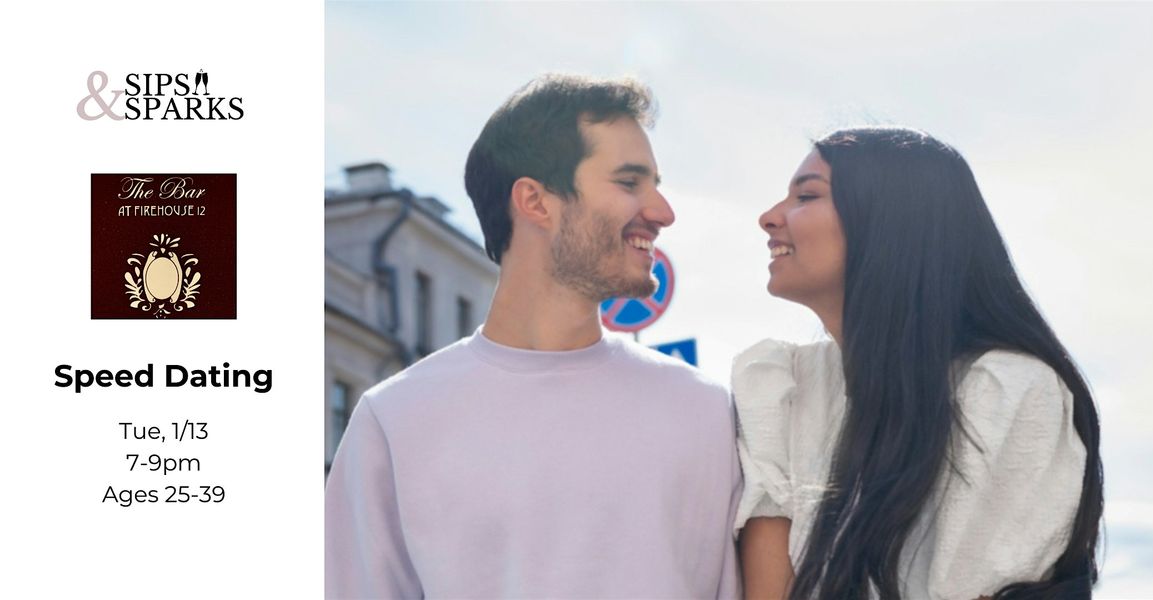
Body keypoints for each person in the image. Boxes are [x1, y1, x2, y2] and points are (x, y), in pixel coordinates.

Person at [325, 74, 741, 598]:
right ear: (536, 202)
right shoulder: (393, 421)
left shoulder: (705, 411)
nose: (663, 213)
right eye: (630, 182)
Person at [735, 127, 1103, 599]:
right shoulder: (783, 386)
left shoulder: (1003, 391)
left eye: (806, 195)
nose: (768, 218)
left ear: (892, 221)